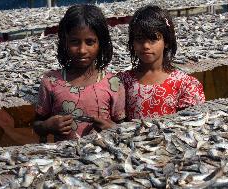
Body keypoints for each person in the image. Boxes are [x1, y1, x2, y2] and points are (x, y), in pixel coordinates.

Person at [34, 4, 125, 142]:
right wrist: (47, 126)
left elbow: (124, 127)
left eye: (90, 42)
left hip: (104, 160)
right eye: (74, 42)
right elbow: (37, 124)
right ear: (65, 42)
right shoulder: (51, 81)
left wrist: (112, 128)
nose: (82, 50)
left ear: (101, 44)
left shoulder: (113, 83)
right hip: (64, 160)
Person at [118, 5, 205, 121]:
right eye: (139, 38)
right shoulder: (123, 82)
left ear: (167, 42)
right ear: (132, 42)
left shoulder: (185, 84)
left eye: (153, 39)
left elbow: (190, 123)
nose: (145, 46)